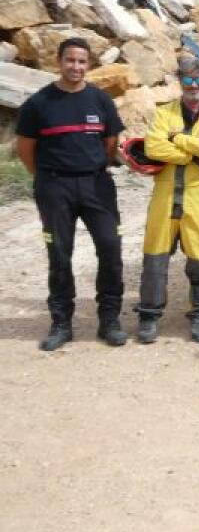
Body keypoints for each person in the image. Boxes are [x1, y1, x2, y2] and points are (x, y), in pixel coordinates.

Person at [16, 37, 127, 350]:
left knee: (110, 250)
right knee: (59, 255)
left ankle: (109, 320)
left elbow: (110, 144)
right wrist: (49, 179)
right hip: (54, 187)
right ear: (59, 62)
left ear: (89, 64)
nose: (76, 67)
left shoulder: (100, 100)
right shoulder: (39, 103)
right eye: (70, 60)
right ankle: (61, 322)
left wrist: (91, 168)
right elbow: (25, 150)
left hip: (96, 186)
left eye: (82, 61)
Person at [134, 57, 199, 344]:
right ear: (180, 82)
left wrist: (176, 139)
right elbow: (152, 146)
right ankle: (149, 315)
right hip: (165, 194)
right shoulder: (164, 113)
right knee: (155, 258)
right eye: (189, 81)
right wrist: (188, 154)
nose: (195, 87)